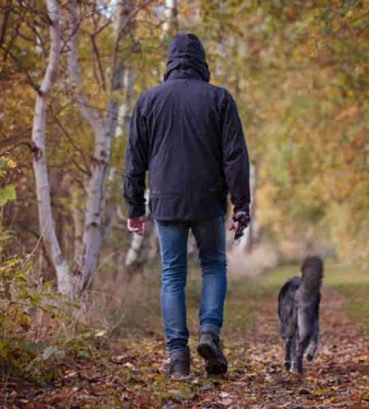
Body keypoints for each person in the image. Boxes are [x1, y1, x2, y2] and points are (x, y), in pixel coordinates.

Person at [123, 33, 250, 378]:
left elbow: (135, 159)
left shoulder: (148, 101)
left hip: (166, 202)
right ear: (202, 61)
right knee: (213, 265)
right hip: (209, 200)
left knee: (172, 276)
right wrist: (241, 205)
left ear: (170, 61)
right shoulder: (219, 99)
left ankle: (178, 357)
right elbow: (235, 157)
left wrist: (135, 206)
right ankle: (209, 332)